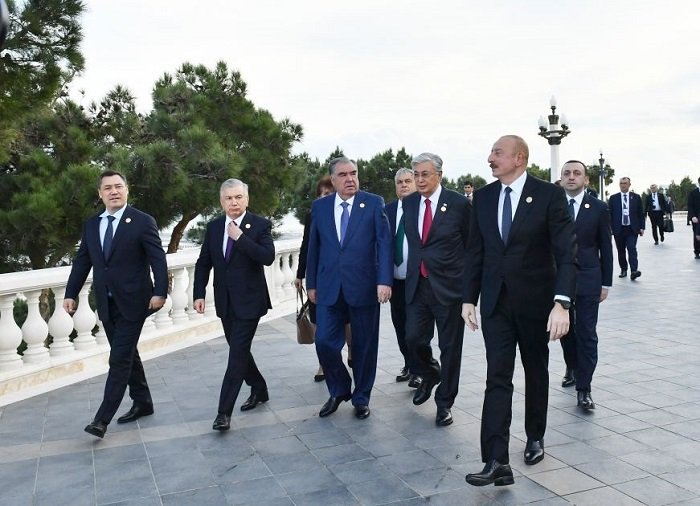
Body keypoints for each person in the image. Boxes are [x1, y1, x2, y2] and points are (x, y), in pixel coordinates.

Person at [462, 135, 576, 486]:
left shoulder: (549, 196)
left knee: (535, 370)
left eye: (497, 153)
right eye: (491, 152)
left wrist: (562, 303)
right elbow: (475, 252)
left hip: (536, 304)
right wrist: (469, 298)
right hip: (496, 303)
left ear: (519, 158)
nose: (490, 159)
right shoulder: (482, 198)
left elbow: (567, 252)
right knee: (497, 376)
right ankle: (496, 460)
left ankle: (535, 435)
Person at [64, 170, 168, 439]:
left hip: (136, 301)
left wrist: (160, 292)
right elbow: (82, 262)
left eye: (118, 186)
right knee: (128, 353)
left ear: (127, 190)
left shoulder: (143, 221)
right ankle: (143, 402)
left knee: (119, 358)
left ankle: (101, 419)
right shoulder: (92, 225)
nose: (114, 191)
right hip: (107, 304)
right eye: (108, 188)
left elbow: (158, 259)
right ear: (100, 193)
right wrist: (71, 293)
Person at [306, 156, 393, 420]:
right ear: (332, 180)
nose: (350, 179)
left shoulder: (373, 203)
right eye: (343, 175)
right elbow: (314, 247)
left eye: (353, 173)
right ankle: (339, 388)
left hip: (364, 286)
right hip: (329, 286)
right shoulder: (320, 208)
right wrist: (311, 282)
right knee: (324, 342)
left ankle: (362, 396)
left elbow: (384, 244)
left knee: (365, 345)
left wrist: (384, 280)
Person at [193, 179, 275, 431]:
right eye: (229, 198)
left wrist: (240, 238)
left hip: (251, 301)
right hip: (225, 302)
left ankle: (223, 413)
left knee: (236, 354)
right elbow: (203, 262)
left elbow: (268, 257)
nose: (234, 202)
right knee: (239, 351)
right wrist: (198, 293)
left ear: (247, 199)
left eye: (239, 197)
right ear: (222, 201)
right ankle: (259, 388)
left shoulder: (260, 225)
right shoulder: (215, 227)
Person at [403, 153, 471, 427]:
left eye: (425, 174)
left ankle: (445, 403)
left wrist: (469, 291)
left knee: (450, 348)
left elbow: (471, 246)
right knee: (413, 339)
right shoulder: (407, 204)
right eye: (416, 174)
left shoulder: (458, 204)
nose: (419, 180)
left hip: (449, 289)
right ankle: (430, 372)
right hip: (417, 286)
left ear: (439, 176)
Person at [558, 161, 613, 409]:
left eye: (576, 173)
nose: (571, 177)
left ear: (586, 179)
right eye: (567, 173)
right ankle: (572, 365)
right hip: (559, 280)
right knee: (565, 332)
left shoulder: (599, 208)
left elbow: (605, 247)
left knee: (587, 334)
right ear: (561, 179)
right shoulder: (552, 206)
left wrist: (606, 283)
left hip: (589, 279)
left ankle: (584, 388)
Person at [294, 176, 342, 382]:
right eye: (322, 194)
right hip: (319, 277)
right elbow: (307, 246)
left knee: (344, 323)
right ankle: (323, 363)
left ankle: (349, 354)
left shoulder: (344, 214)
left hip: (342, 278)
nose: (326, 197)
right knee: (319, 323)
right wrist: (300, 274)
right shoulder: (312, 216)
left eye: (330, 193)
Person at [385, 168, 422, 388]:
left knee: (415, 329)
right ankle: (409, 364)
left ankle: (419, 370)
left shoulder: (423, 208)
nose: (404, 185)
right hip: (395, 281)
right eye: (400, 182)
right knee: (400, 326)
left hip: (418, 281)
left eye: (408, 181)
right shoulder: (387, 210)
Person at [609, 177, 645, 280]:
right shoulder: (613, 198)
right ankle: (623, 269)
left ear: (629, 185)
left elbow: (640, 214)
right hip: (618, 229)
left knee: (631, 248)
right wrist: (610, 227)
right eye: (621, 183)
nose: (623, 185)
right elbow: (609, 214)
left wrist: (642, 227)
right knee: (621, 250)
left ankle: (634, 270)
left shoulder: (636, 197)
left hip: (632, 229)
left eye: (625, 183)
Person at [688, 177, 700, 259]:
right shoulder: (693, 193)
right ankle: (697, 251)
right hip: (696, 217)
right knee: (696, 234)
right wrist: (692, 216)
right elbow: (690, 206)